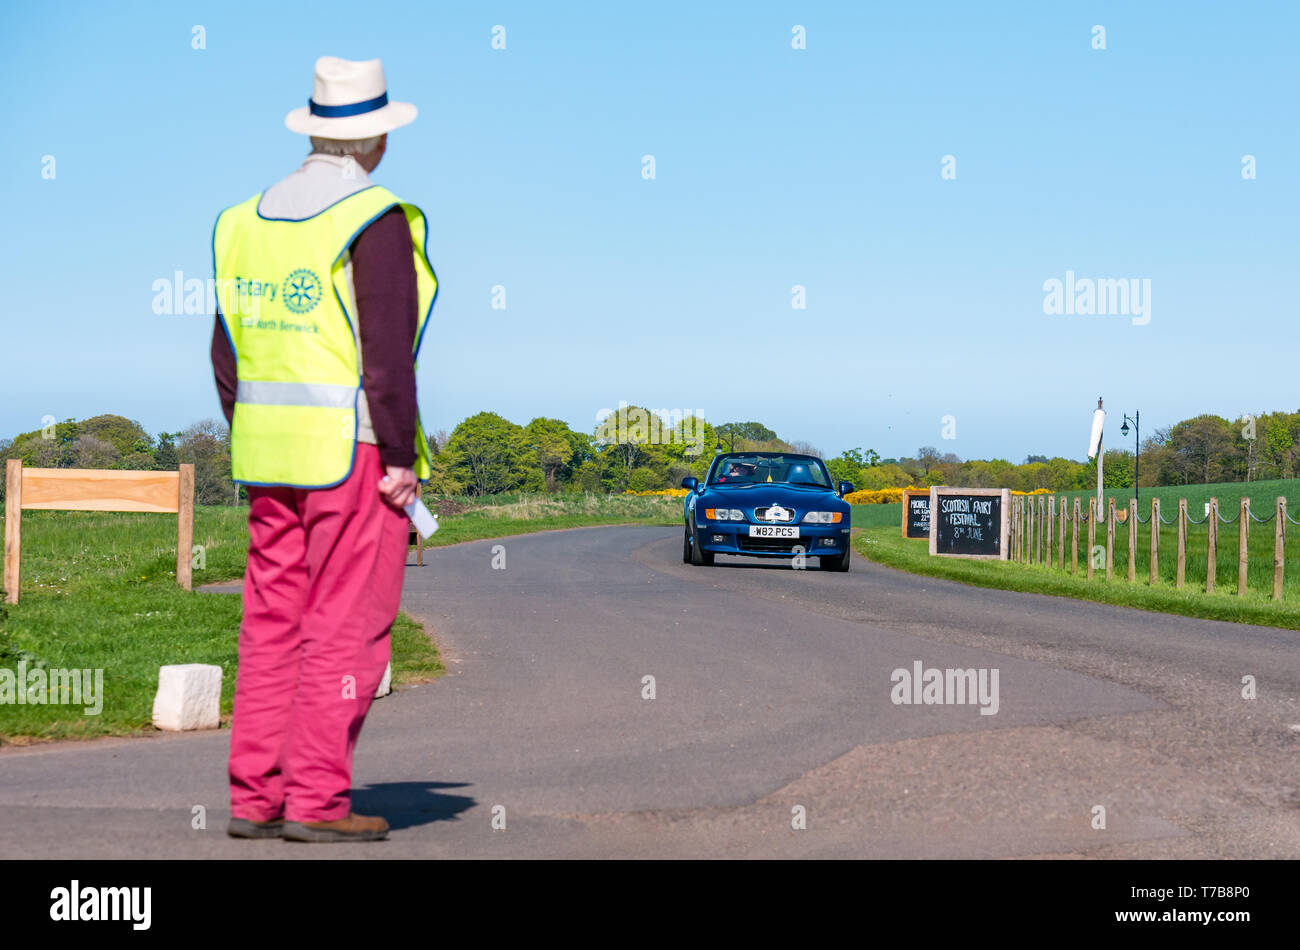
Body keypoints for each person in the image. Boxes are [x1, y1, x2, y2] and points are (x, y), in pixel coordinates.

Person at [210, 56, 437, 843]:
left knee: (271, 624)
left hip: (268, 460)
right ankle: (315, 802)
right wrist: (402, 456)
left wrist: (253, 432)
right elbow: (387, 353)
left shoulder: (242, 221)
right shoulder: (373, 217)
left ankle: (255, 798)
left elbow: (225, 353)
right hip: (354, 456)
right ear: (374, 136)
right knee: (347, 626)